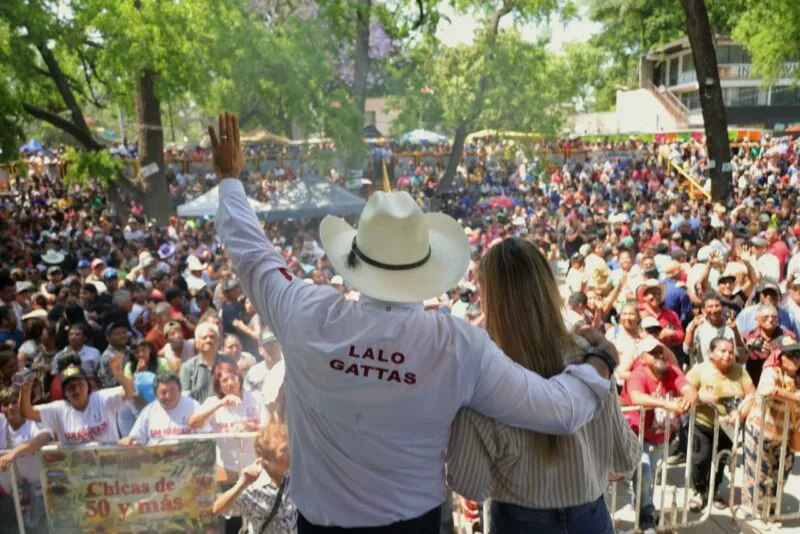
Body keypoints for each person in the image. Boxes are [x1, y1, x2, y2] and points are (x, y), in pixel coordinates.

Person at [212, 112, 614, 532]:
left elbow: (253, 255)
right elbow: (560, 409)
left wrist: (230, 180)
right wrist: (600, 359)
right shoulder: (458, 345)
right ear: (427, 268)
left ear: (354, 258)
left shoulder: (304, 313)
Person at [445, 239, 639, 534]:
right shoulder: (592, 356)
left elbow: (469, 482)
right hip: (591, 517)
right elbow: (626, 457)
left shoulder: (483, 371)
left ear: (489, 298)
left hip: (518, 521)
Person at [620, 336, 697, 529]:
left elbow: (689, 388)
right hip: (635, 435)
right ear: (642, 357)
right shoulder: (637, 374)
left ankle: (639, 506)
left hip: (661, 436)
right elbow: (637, 397)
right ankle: (646, 513)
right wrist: (667, 403)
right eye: (653, 353)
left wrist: (689, 398)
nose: (659, 355)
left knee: (648, 476)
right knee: (644, 471)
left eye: (660, 351)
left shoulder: (672, 371)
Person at [685, 337, 755, 511]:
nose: (728, 355)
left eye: (731, 352)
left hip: (728, 428)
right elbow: (685, 390)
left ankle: (713, 491)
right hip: (704, 424)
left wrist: (740, 413)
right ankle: (699, 491)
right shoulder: (699, 370)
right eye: (722, 351)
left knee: (721, 459)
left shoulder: (740, 371)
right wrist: (700, 396)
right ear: (711, 353)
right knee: (701, 460)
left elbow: (752, 395)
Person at [19, 353, 134, 445]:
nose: (77, 390)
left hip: (108, 467)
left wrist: (119, 375)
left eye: (80, 384)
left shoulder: (101, 398)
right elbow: (27, 413)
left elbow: (130, 392)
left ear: (87, 385)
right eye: (71, 387)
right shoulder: (59, 409)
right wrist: (25, 390)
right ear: (64, 392)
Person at [212, 422, 297, 534]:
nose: (290, 454)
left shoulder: (299, 479)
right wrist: (241, 484)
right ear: (266, 458)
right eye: (284, 450)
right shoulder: (252, 486)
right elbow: (218, 509)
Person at [119, 373, 202, 446]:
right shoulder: (149, 411)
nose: (168, 396)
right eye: (163, 392)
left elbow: (206, 436)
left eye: (172, 391)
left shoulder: (193, 406)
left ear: (180, 390)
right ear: (155, 394)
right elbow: (136, 438)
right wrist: (130, 441)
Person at [180, 322, 235, 403]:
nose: (208, 340)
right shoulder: (188, 367)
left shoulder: (229, 362)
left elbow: (238, 389)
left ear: (218, 342)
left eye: (212, 337)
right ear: (197, 344)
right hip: (199, 412)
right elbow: (184, 398)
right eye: (204, 338)